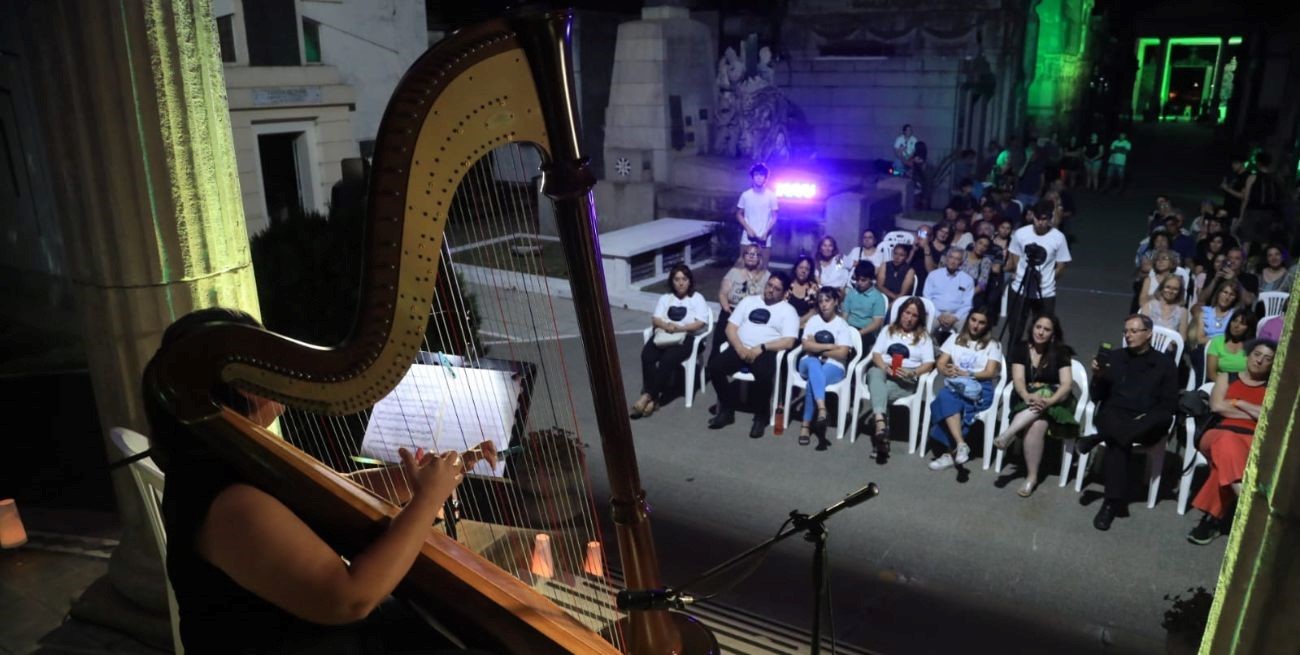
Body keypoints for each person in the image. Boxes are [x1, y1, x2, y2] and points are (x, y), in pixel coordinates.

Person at [148, 308, 496, 654]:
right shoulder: (231, 503)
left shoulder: (231, 454)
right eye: (271, 363)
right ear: (246, 386)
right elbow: (350, 598)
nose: (284, 373)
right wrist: (426, 502)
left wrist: (420, 478)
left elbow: (334, 491)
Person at [1077, 315, 1180, 531]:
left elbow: (1169, 404)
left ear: (1148, 334)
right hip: (1116, 415)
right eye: (1126, 331)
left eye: (1134, 331)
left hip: (1145, 421)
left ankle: (1098, 438)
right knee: (1118, 437)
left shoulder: (1165, 365)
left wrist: (1145, 417)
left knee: (1158, 419)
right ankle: (1112, 503)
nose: (1128, 335)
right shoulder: (1115, 357)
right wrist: (1097, 376)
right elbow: (1097, 397)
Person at [1187, 340, 1277, 544]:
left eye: (1267, 358)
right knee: (1228, 441)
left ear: (1273, 364)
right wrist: (1256, 414)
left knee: (1224, 464)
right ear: (1249, 354)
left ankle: (1210, 521)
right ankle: (1245, 498)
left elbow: (1270, 417)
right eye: (1257, 354)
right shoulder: (1227, 377)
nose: (1260, 360)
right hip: (1218, 433)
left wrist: (1239, 402)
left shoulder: (1273, 388)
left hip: (1252, 441)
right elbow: (1218, 407)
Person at [993, 314, 1077, 497]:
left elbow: (1066, 385)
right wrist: (1026, 395)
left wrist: (1049, 401)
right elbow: (1018, 379)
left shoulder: (1061, 351)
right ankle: (1032, 477)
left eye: (1047, 329)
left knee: (1044, 392)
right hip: (1028, 398)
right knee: (1037, 425)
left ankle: (1008, 433)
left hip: (1057, 400)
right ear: (1032, 328)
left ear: (1053, 334)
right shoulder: (1021, 348)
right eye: (1038, 327)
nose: (1041, 332)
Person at [707, 272, 799, 438]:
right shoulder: (749, 301)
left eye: (777, 289)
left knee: (764, 375)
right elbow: (730, 328)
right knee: (714, 367)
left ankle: (761, 415)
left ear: (785, 293)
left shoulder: (788, 311)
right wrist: (740, 348)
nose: (770, 290)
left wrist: (761, 348)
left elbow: (789, 341)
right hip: (740, 347)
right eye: (769, 285)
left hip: (765, 351)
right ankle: (727, 409)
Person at [925, 309, 1003, 471]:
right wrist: (945, 370)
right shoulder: (955, 339)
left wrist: (969, 373)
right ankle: (961, 445)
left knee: (945, 399)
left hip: (979, 388)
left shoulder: (993, 345)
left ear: (987, 326)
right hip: (957, 385)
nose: (976, 325)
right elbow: (941, 362)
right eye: (973, 320)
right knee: (947, 396)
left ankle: (948, 454)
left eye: (981, 322)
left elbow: (990, 372)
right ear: (968, 320)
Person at [633, 264, 710, 419]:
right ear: (672, 282)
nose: (681, 283)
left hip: (688, 336)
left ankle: (648, 396)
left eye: (684, 279)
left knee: (667, 360)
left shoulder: (697, 298)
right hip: (665, 334)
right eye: (677, 279)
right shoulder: (665, 298)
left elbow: (701, 322)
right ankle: (653, 399)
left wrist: (680, 329)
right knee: (647, 356)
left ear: (689, 281)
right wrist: (666, 325)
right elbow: (655, 318)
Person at [863, 297, 936, 456]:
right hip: (884, 373)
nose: (909, 318)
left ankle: (880, 434)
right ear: (901, 312)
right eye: (907, 313)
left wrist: (913, 372)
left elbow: (929, 363)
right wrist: (884, 367)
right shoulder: (888, 330)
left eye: (914, 315)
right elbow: (876, 354)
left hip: (905, 379)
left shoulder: (923, 337)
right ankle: (881, 426)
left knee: (880, 392)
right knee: (874, 372)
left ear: (919, 318)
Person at [794, 288, 854, 447]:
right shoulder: (813, 321)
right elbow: (806, 347)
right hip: (808, 362)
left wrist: (817, 347)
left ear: (835, 302)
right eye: (820, 301)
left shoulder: (841, 324)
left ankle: (806, 425)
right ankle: (822, 408)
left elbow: (842, 354)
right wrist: (829, 346)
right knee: (813, 362)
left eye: (827, 300)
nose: (824, 305)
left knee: (812, 382)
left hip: (834, 367)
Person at [1005, 201, 1072, 341]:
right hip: (1020, 288)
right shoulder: (1021, 233)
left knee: (1043, 332)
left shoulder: (1058, 237)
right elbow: (1015, 257)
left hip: (1045, 292)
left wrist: (1049, 279)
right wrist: (1020, 273)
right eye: (1038, 219)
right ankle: (1012, 359)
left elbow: (1062, 264)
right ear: (1032, 217)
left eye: (1044, 219)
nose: (1040, 223)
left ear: (1050, 218)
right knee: (1015, 330)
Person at [711, 244, 769, 359]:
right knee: (722, 327)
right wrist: (727, 309)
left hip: (753, 313)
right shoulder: (734, 272)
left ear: (760, 258)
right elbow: (723, 293)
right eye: (748, 253)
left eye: (755, 254)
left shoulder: (767, 276)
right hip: (732, 309)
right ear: (743, 256)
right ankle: (713, 362)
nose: (751, 257)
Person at [922, 247, 976, 345]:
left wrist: (955, 317)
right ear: (946, 259)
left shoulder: (968, 280)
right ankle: (933, 352)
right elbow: (927, 297)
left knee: (965, 331)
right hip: (935, 312)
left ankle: (956, 355)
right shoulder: (934, 275)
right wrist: (938, 314)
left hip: (957, 315)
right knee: (926, 331)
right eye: (951, 257)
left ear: (961, 262)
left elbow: (967, 304)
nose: (953, 261)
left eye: (957, 259)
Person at [1237, 152, 1285, 254]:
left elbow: (1246, 198)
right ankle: (1264, 263)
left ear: (1258, 163)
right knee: (1264, 241)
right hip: (1269, 214)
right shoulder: (1276, 179)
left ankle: (1242, 264)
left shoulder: (1252, 177)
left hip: (1252, 212)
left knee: (1246, 241)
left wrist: (1241, 216)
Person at [736, 163, 779, 267]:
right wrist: (748, 228)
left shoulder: (771, 196)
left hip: (764, 238)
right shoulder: (746, 195)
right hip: (747, 237)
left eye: (762, 175)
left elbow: (775, 216)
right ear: (752, 177)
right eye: (756, 175)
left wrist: (766, 232)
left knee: (763, 268)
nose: (759, 178)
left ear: (766, 178)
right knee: (743, 266)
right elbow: (738, 213)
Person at [842, 261, 887, 350]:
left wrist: (859, 333)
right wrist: (845, 331)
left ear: (870, 279)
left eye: (863, 280)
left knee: (856, 347)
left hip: (866, 332)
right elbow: (844, 317)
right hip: (849, 328)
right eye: (857, 279)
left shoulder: (878, 298)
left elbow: (876, 324)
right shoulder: (851, 294)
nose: (859, 283)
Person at [1139, 273, 1190, 346]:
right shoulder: (1149, 306)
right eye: (1168, 287)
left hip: (1168, 349)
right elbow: (1141, 330)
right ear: (1162, 288)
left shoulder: (1183, 312)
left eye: (1175, 289)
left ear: (1179, 292)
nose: (1170, 291)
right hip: (1148, 346)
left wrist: (1165, 342)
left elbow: (1182, 338)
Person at [1206, 311, 1258, 381]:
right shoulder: (1217, 341)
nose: (1236, 325)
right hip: (1218, 383)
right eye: (1234, 321)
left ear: (1249, 328)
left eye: (1242, 323)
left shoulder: (1253, 347)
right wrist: (1224, 385)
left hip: (1242, 385)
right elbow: (1211, 374)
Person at [786, 255, 820, 328]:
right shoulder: (787, 285)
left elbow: (813, 311)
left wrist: (798, 322)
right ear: (795, 269)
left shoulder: (813, 288)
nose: (803, 271)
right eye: (801, 267)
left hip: (804, 324)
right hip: (786, 322)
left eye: (807, 269)